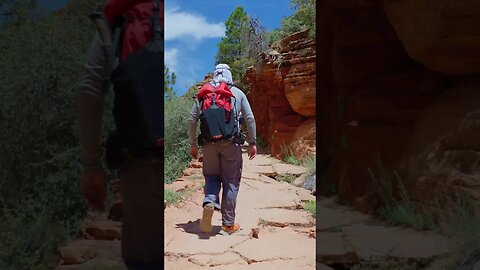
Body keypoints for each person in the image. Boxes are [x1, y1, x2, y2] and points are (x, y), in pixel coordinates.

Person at [77, 0, 163, 269]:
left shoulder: (123, 14)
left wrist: (92, 165)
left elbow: (90, 88)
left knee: (144, 260)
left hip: (141, 161)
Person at [188, 63, 257, 234]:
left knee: (211, 177)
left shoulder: (203, 95)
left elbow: (191, 120)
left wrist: (193, 145)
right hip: (231, 144)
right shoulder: (237, 93)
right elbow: (249, 118)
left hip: (208, 145)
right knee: (231, 182)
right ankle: (228, 224)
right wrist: (252, 142)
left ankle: (210, 200)